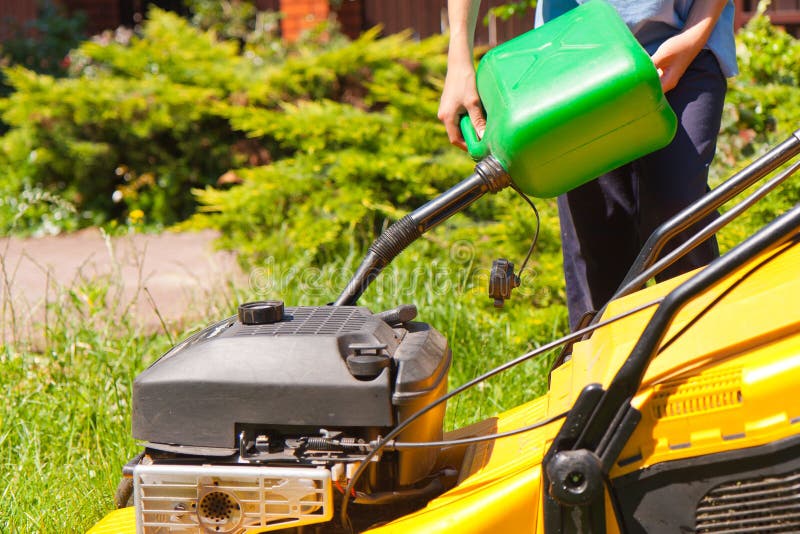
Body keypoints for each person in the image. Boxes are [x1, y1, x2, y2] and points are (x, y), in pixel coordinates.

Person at [438, 0, 737, 331]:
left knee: (677, 210)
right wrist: (459, 61)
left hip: (681, 40)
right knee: (597, 237)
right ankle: (600, 372)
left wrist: (694, 35)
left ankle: (702, 349)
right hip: (574, 55)